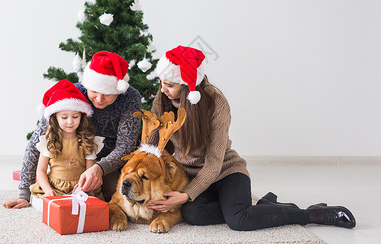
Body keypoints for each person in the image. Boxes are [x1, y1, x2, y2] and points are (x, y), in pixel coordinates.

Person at [147, 45, 356, 231]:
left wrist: (184, 196)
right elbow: (152, 143)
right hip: (191, 176)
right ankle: (262, 207)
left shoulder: (215, 102)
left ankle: (311, 214)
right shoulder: (163, 98)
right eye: (161, 83)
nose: (163, 89)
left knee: (239, 220)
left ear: (187, 87)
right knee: (193, 214)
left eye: (170, 85)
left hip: (225, 171)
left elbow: (213, 163)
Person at [3, 51, 141, 209]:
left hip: (108, 162)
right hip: (71, 160)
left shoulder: (130, 98)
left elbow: (126, 145)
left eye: (107, 94)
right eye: (94, 92)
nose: (100, 99)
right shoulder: (70, 96)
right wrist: (24, 194)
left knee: (116, 195)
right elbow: (36, 142)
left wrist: (100, 168)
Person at [28, 79, 104, 205]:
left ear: (81, 117)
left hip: (80, 189)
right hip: (54, 188)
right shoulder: (49, 141)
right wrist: (48, 191)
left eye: (75, 117)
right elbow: (40, 171)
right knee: (43, 205)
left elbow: (89, 172)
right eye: (64, 117)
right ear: (55, 118)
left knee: (85, 207)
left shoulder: (88, 142)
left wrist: (83, 190)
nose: (70, 121)